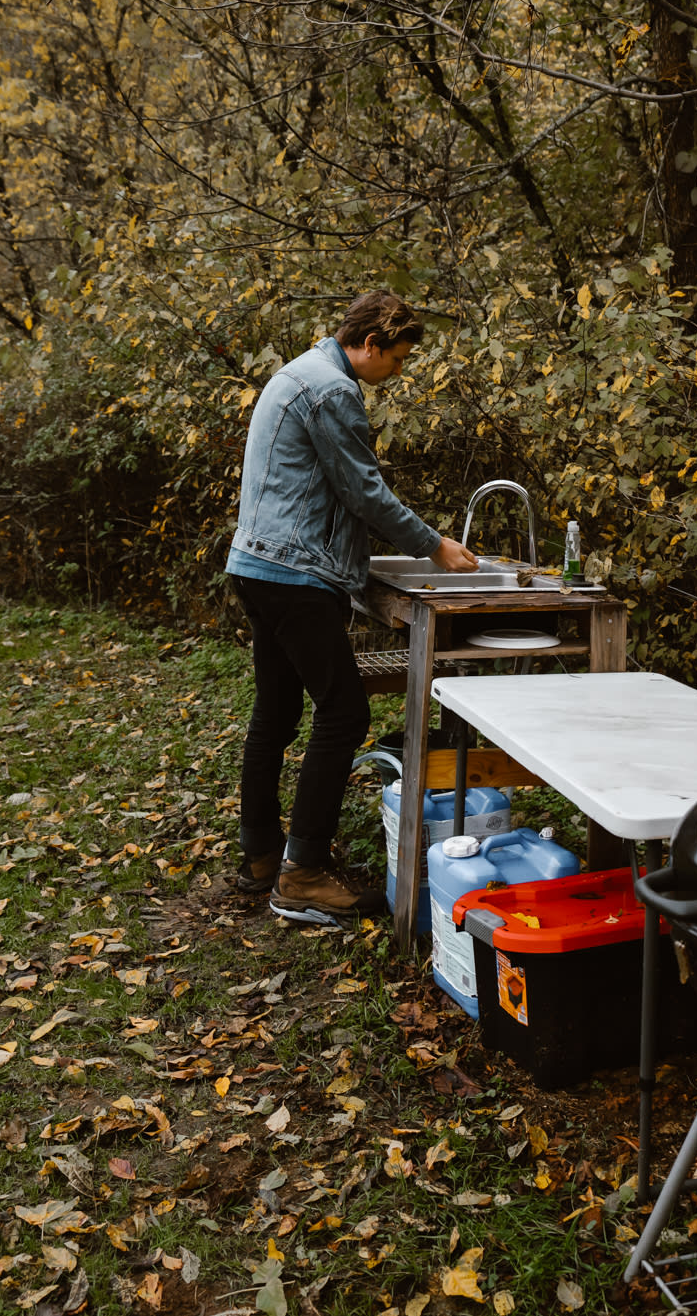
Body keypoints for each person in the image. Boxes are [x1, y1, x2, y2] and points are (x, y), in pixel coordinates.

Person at [224, 291, 480, 925]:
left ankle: (261, 854)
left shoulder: (297, 373)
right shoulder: (333, 391)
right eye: (394, 359)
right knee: (344, 711)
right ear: (368, 345)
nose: (396, 372)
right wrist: (433, 546)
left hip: (258, 566)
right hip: (293, 573)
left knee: (277, 712)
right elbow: (363, 490)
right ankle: (302, 872)